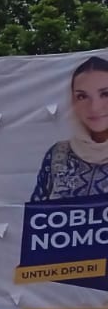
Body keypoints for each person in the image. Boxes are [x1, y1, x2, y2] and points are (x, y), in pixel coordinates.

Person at [32, 55, 108, 201]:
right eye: (82, 96)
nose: (94, 107)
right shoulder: (59, 154)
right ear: (72, 101)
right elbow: (38, 216)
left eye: (105, 94)